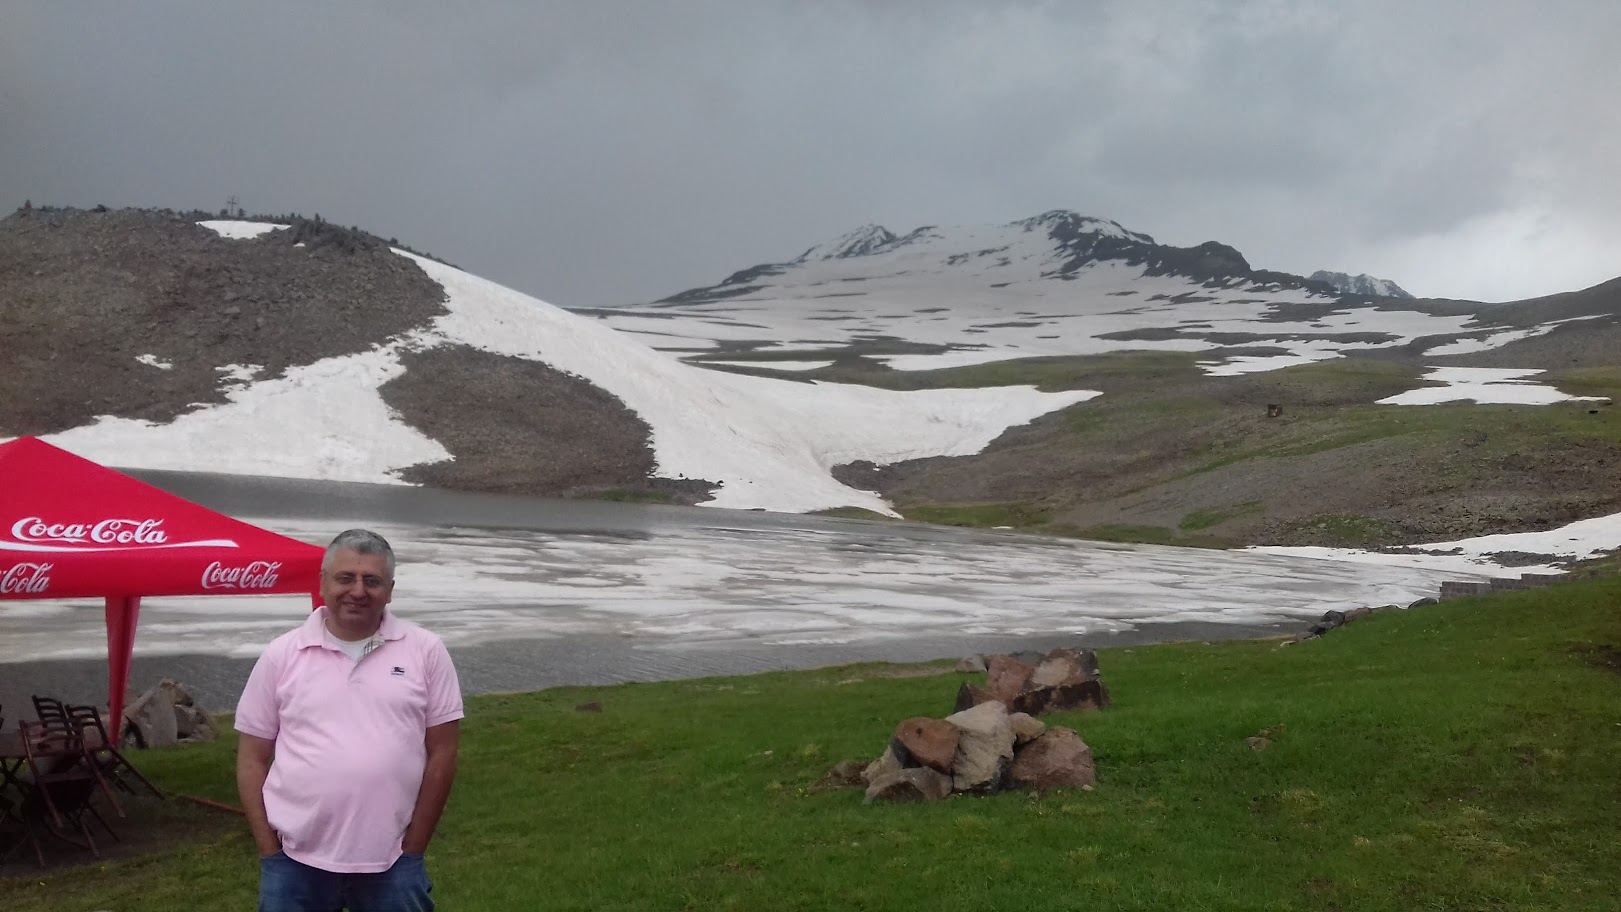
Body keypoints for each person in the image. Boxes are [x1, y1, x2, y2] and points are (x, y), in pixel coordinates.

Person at [236, 529, 463, 912]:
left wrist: (414, 848)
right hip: (294, 862)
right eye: (345, 578)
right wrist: (268, 848)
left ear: (390, 590)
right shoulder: (282, 655)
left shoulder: (426, 651)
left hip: (392, 862)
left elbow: (443, 753)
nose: (358, 591)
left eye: (371, 581)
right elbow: (251, 758)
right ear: (323, 582)